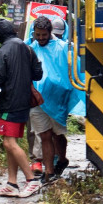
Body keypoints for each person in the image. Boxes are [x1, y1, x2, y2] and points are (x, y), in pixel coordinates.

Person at [0, 18, 44, 198]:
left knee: (8, 143)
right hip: (24, 101)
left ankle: (31, 180)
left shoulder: (3, 51)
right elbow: (38, 73)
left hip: (9, 102)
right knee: (11, 143)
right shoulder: (28, 48)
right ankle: (11, 183)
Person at [28, 16, 73, 183]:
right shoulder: (31, 49)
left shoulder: (62, 48)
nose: (40, 38)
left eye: (43, 35)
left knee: (57, 135)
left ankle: (62, 159)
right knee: (44, 135)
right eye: (37, 35)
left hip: (57, 99)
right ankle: (50, 172)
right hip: (37, 100)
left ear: (50, 32)